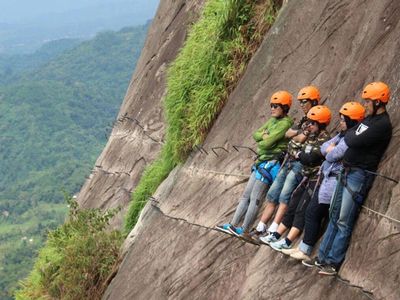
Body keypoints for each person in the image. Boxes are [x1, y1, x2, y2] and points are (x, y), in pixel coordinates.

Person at [302, 82, 393, 276]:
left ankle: (333, 262)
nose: (365, 105)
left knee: (343, 219)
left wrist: (347, 140)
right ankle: (322, 257)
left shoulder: (382, 124)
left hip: (359, 174)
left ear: (378, 101)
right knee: (334, 215)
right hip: (346, 170)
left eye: (368, 101)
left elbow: (351, 139)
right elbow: (350, 135)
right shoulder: (368, 120)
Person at [276, 102, 366, 258]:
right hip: (324, 178)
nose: (341, 122)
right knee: (309, 211)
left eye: (344, 120)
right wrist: (328, 150)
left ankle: (305, 249)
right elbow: (325, 148)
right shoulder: (341, 135)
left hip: (331, 179)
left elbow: (329, 154)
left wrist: (328, 151)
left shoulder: (350, 136)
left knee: (313, 212)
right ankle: (302, 247)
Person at [215, 91, 294, 241]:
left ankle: (244, 229)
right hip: (261, 162)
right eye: (271, 105)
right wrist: (264, 136)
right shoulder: (272, 121)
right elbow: (256, 135)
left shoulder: (285, 124)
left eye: (276, 106)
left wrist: (265, 137)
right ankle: (233, 224)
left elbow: (266, 142)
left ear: (284, 107)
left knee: (255, 198)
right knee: (246, 195)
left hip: (271, 164)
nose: (272, 108)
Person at [252, 86, 321, 237]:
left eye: (304, 101)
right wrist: (297, 133)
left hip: (299, 163)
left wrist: (297, 134)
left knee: (285, 195)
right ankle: (260, 227)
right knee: (273, 193)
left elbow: (301, 138)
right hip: (289, 158)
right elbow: (290, 134)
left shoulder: (316, 119)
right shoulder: (304, 119)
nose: (302, 104)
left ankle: (273, 230)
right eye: (300, 102)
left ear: (314, 101)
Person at [259, 105, 331, 248]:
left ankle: (287, 241)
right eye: (309, 122)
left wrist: (299, 155)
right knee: (293, 204)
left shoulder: (324, 138)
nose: (310, 125)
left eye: (313, 123)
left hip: (315, 177)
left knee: (302, 208)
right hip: (305, 175)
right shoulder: (311, 134)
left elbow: (311, 157)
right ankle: (276, 234)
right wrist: (300, 153)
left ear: (321, 123)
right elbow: (293, 144)